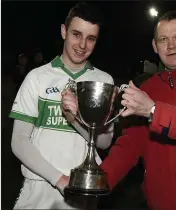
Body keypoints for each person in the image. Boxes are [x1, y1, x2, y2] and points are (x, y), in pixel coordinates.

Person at [62, 10, 176, 210]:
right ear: (155, 47)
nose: (171, 45)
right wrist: (96, 186)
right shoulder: (148, 89)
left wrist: (154, 110)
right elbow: (130, 145)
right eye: (163, 39)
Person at [9, 2, 114, 209]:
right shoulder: (37, 77)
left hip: (83, 189)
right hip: (39, 186)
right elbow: (19, 140)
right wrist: (58, 179)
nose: (82, 45)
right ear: (64, 31)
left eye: (90, 38)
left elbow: (103, 143)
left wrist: (74, 118)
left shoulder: (104, 81)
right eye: (76, 34)